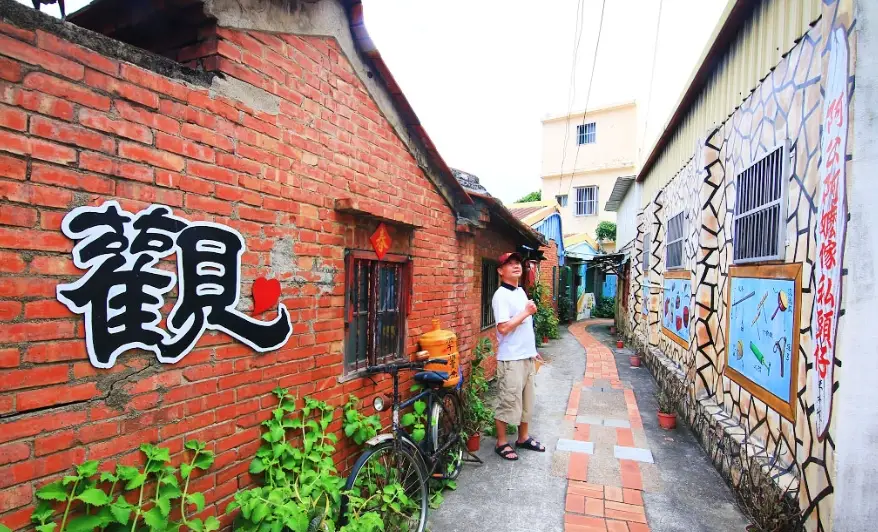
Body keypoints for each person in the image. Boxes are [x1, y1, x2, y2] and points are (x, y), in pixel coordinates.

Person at [491, 252, 546, 461]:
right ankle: (501, 442)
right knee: (508, 400)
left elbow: (524, 327)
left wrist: (533, 351)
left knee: (526, 401)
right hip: (511, 358)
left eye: (517, 263)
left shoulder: (521, 292)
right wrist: (526, 312)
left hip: (526, 356)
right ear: (500, 270)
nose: (516, 267)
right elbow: (503, 327)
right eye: (510, 264)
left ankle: (523, 437)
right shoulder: (501, 295)